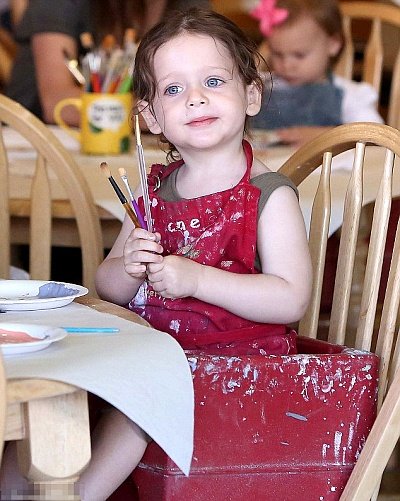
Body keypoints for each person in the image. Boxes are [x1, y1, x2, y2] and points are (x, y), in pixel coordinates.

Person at [1, 8, 312, 500]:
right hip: (155, 355)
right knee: (58, 384)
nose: (195, 98)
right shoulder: (152, 194)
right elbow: (109, 287)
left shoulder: (268, 195)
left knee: (138, 399)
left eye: (213, 81)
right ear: (150, 116)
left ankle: (72, 498)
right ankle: (19, 492)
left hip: (235, 370)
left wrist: (198, 280)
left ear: (251, 95)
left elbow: (291, 298)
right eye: (173, 89)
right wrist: (127, 267)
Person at [5, 0, 210, 125]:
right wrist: (166, 114)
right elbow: (57, 103)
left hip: (131, 144)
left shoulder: (191, 5)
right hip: (36, 148)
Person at [249, 0, 383, 146]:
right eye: (277, 54)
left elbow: (375, 137)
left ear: (333, 44)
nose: (287, 65)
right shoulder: (259, 86)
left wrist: (327, 136)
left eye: (299, 55)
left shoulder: (348, 95)